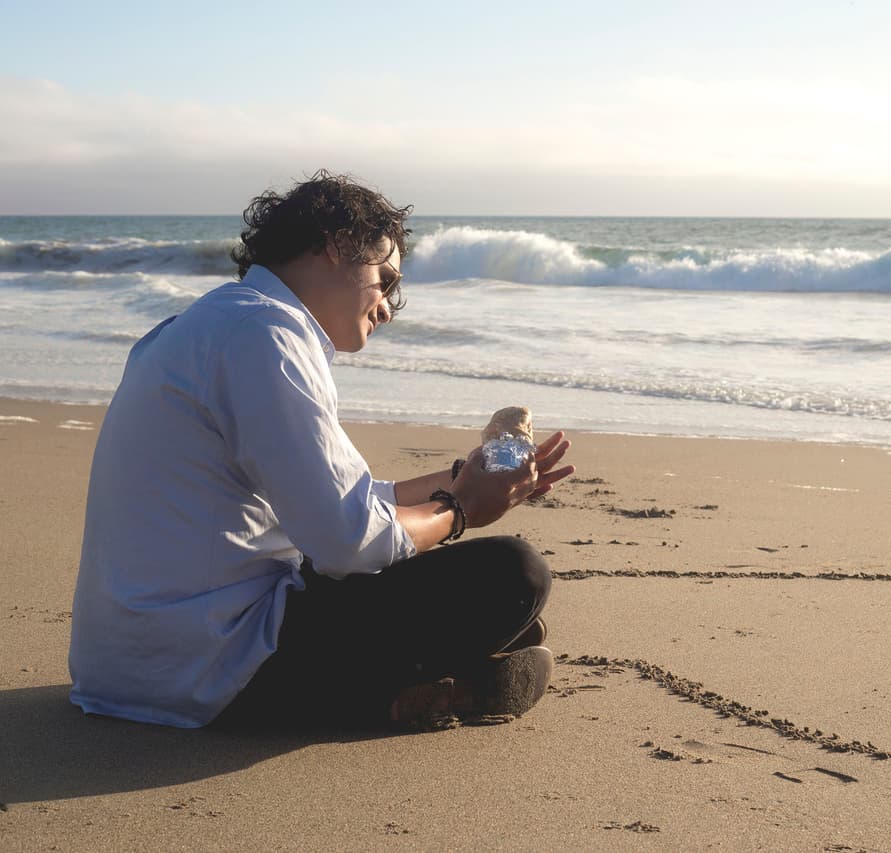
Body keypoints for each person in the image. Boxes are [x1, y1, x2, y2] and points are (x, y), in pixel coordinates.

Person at [68, 171, 574, 730]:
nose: (388, 307)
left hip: (124, 665)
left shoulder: (203, 325)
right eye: (385, 280)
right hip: (210, 669)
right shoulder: (267, 336)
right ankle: (400, 691)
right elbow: (345, 539)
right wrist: (460, 512)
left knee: (462, 585)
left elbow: (332, 506)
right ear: (336, 246)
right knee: (513, 574)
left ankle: (435, 669)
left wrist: (459, 480)